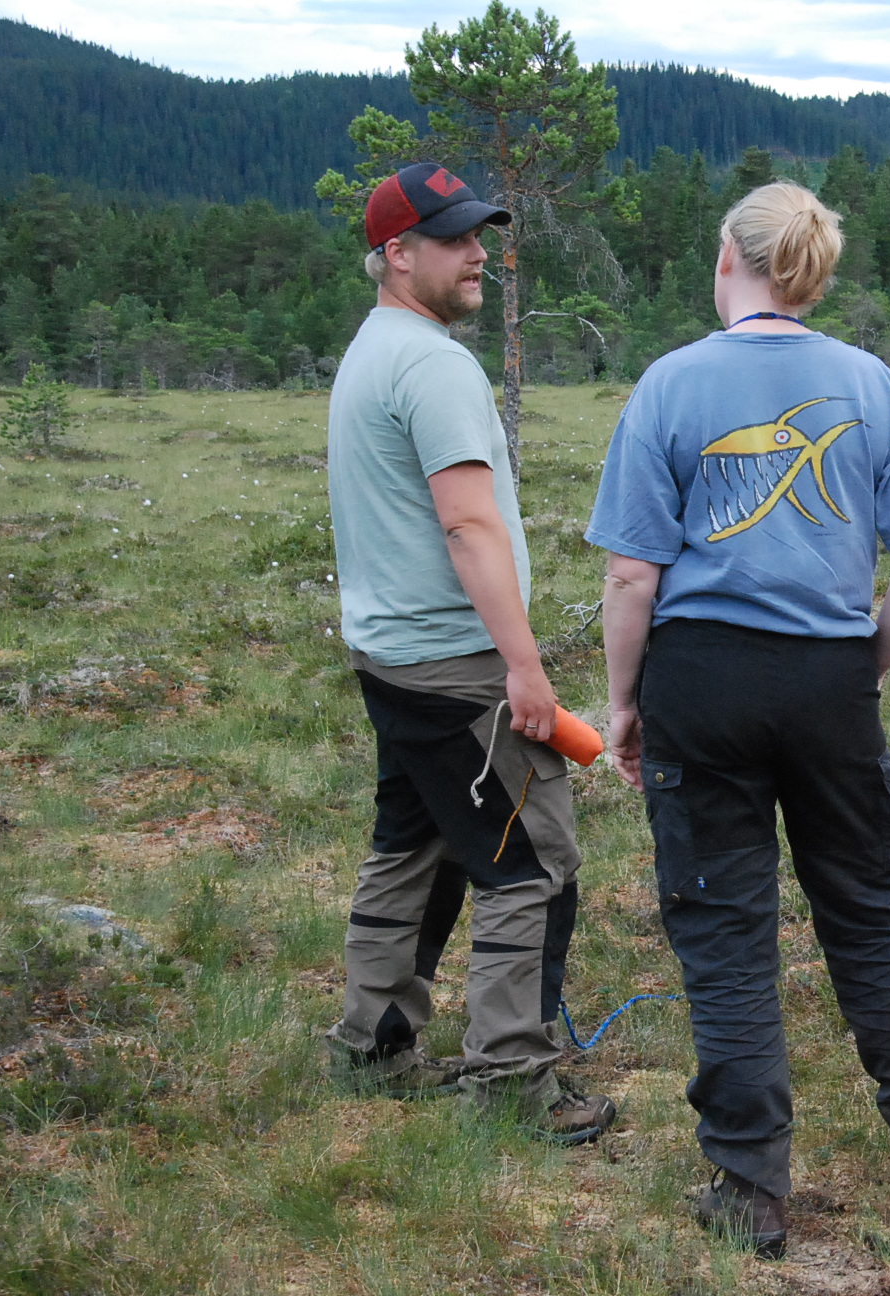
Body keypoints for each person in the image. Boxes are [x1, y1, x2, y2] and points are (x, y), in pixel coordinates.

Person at [586, 181, 890, 1257]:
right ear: (811, 275)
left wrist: (625, 705)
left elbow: (631, 580)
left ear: (726, 261)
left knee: (724, 933)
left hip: (701, 683)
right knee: (870, 913)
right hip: (828, 680)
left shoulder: (668, 384)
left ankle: (748, 1188)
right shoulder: (872, 384)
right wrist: (855, 672)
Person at [322, 162, 615, 1144]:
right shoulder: (434, 364)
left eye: (479, 232)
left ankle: (372, 1045)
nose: (478, 251)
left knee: (411, 846)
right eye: (454, 238)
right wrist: (522, 671)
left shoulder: (373, 347)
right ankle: (513, 1088)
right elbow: (469, 527)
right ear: (397, 255)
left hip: (391, 661)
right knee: (530, 866)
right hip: (457, 670)